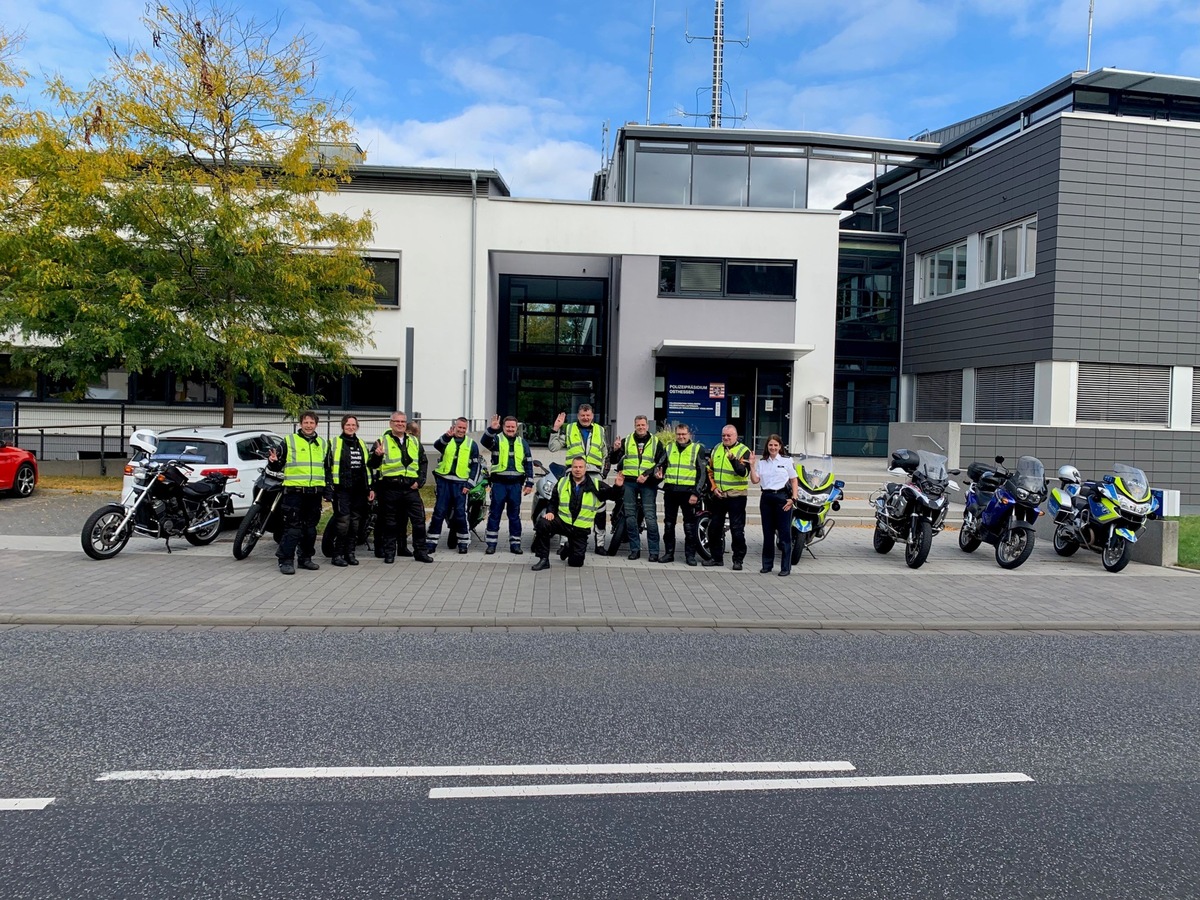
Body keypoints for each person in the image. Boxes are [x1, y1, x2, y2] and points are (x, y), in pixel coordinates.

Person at [268, 410, 328, 576]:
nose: (308, 425)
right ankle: (286, 560)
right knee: (293, 529)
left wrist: (328, 491)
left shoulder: (322, 444)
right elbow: (277, 464)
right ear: (300, 424)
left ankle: (305, 558)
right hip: (294, 493)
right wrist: (273, 462)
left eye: (311, 423)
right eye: (305, 422)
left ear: (316, 424)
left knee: (310, 529)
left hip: (314, 493)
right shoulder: (289, 441)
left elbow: (327, 469)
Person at [368, 411, 433, 564]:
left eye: (403, 422)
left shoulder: (414, 441)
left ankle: (420, 552)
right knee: (389, 522)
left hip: (410, 488)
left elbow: (423, 462)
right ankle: (390, 552)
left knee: (418, 520)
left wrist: (420, 480)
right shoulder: (381, 441)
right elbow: (372, 465)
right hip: (390, 488)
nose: (400, 424)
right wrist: (377, 455)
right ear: (391, 423)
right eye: (397, 421)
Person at [530, 456, 609, 570]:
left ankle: (568, 546)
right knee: (543, 523)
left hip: (580, 529)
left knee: (576, 563)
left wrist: (619, 486)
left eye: (580, 467)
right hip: (563, 522)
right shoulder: (562, 482)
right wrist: (551, 512)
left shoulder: (596, 485)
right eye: (575, 467)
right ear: (571, 468)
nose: (577, 469)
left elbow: (612, 494)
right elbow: (553, 500)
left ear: (585, 469)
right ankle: (543, 559)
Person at [609, 414, 664, 561]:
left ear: (647, 426)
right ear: (635, 426)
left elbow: (661, 463)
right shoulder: (626, 441)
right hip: (629, 483)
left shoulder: (656, 442)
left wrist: (647, 474)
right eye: (638, 425)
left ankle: (653, 552)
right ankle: (635, 550)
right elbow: (614, 460)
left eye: (643, 425)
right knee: (630, 518)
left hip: (648, 484)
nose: (641, 427)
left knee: (651, 518)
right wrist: (615, 450)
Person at [427, 417, 483, 555]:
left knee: (460, 514)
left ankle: (463, 542)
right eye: (459, 428)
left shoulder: (472, 444)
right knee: (439, 512)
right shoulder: (447, 439)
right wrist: (447, 436)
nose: (461, 430)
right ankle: (431, 542)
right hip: (444, 481)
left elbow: (476, 466)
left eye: (464, 428)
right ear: (455, 427)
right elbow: (437, 445)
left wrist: (469, 484)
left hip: (460, 484)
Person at [325, 414, 375, 567]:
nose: (351, 427)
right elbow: (327, 467)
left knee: (355, 523)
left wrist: (370, 488)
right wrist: (329, 489)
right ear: (343, 426)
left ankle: (350, 553)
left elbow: (367, 467)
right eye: (348, 425)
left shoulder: (361, 443)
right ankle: (337, 554)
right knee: (343, 522)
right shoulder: (334, 443)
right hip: (342, 490)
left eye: (353, 425)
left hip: (359, 490)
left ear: (357, 427)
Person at [481, 414, 533, 554]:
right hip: (499, 484)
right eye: (508, 426)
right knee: (495, 514)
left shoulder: (523, 443)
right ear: (503, 427)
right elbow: (484, 442)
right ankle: (491, 544)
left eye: (513, 427)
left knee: (514, 515)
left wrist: (529, 483)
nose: (510, 429)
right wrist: (492, 429)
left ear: (517, 428)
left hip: (515, 485)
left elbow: (528, 463)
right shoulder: (496, 439)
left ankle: (515, 544)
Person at [749, 433, 798, 577]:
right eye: (770, 445)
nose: (773, 447)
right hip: (767, 498)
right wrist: (752, 466)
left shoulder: (787, 461)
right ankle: (767, 565)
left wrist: (793, 499)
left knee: (784, 535)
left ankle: (785, 567)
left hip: (782, 498)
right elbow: (755, 480)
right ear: (767, 446)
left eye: (776, 445)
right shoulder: (762, 462)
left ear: (780, 446)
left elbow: (794, 480)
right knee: (768, 533)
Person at [703, 425, 751, 571]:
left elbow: (743, 472)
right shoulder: (716, 448)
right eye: (724, 435)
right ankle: (716, 558)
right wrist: (714, 488)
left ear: (736, 436)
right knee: (714, 528)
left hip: (737, 496)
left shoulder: (744, 450)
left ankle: (738, 560)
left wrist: (733, 460)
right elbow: (710, 471)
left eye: (729, 435)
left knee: (737, 530)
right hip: (719, 495)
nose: (726, 438)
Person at [657, 422, 705, 566]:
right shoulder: (669, 447)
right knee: (669, 524)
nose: (681, 437)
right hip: (671, 491)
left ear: (689, 435)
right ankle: (669, 553)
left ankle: (690, 556)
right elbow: (660, 464)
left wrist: (696, 493)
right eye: (678, 434)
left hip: (688, 493)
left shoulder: (697, 449)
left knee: (689, 526)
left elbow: (702, 474)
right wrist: (658, 471)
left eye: (684, 434)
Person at [548, 404, 606, 475]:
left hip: (594, 471)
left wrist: (602, 471)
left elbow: (605, 453)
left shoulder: (600, 430)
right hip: (574, 472)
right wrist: (556, 428)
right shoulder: (569, 428)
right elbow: (553, 447)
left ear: (592, 416)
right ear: (578, 416)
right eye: (583, 415)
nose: (585, 418)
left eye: (588, 415)